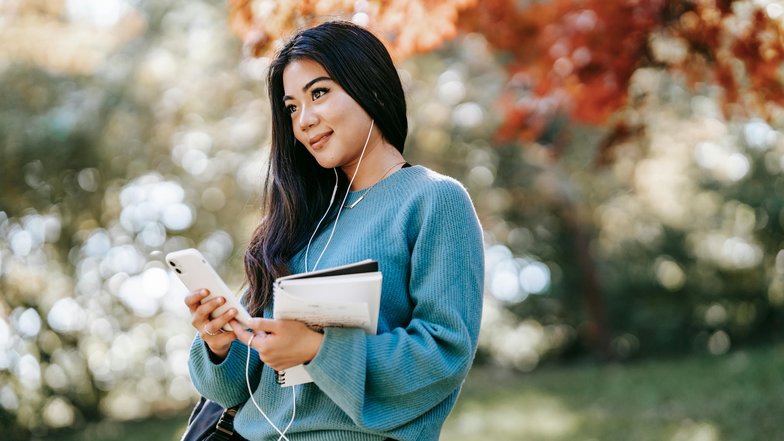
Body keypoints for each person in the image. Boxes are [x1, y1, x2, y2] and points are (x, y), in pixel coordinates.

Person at [184, 20, 484, 441]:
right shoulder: (296, 220)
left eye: (319, 93)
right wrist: (219, 341)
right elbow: (228, 388)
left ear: (370, 86)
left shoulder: (434, 200)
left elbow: (444, 355)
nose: (304, 120)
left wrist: (317, 349)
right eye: (291, 107)